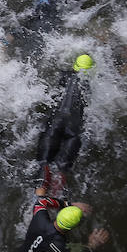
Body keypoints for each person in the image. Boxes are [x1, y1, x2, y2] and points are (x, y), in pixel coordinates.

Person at [10, 191, 106, 252]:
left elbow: (41, 201)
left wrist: (69, 204)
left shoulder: (39, 219)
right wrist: (91, 245)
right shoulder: (67, 249)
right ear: (72, 227)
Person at [36, 54, 93, 192]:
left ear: (75, 67)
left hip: (55, 123)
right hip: (74, 130)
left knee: (44, 165)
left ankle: (39, 201)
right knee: (62, 170)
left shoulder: (65, 75)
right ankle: (57, 203)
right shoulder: (91, 85)